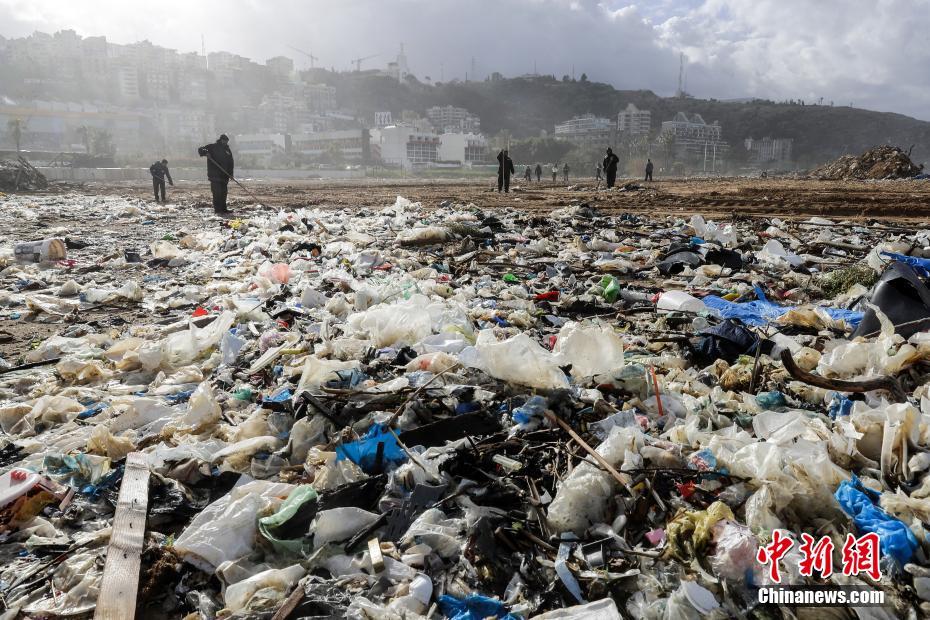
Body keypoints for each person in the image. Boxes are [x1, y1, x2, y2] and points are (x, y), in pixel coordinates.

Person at [198, 134, 234, 215]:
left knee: (224, 193)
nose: (225, 142)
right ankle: (218, 210)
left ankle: (224, 209)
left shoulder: (227, 149)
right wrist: (206, 153)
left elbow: (231, 162)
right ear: (221, 140)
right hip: (215, 176)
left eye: (227, 141)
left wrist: (231, 174)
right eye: (224, 140)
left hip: (224, 176)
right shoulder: (212, 147)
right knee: (217, 193)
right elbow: (201, 149)